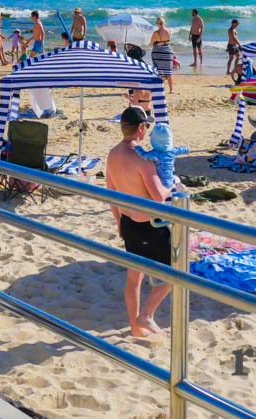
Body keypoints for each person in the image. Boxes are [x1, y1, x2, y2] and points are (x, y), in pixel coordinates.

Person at [106, 106, 172, 338]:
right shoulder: (142, 159)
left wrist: (118, 222)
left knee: (134, 277)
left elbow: (111, 192)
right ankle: (146, 314)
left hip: (127, 222)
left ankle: (136, 327)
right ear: (141, 129)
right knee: (174, 274)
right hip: (151, 225)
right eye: (147, 126)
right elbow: (159, 195)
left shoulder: (113, 154)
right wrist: (172, 184)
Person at [150, 17, 175, 94]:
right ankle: (171, 89)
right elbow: (168, 41)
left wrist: (154, 43)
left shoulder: (156, 33)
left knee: (159, 71)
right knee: (168, 72)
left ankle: (160, 88)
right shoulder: (169, 31)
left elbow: (151, 43)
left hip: (158, 52)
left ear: (157, 24)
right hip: (168, 51)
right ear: (164, 23)